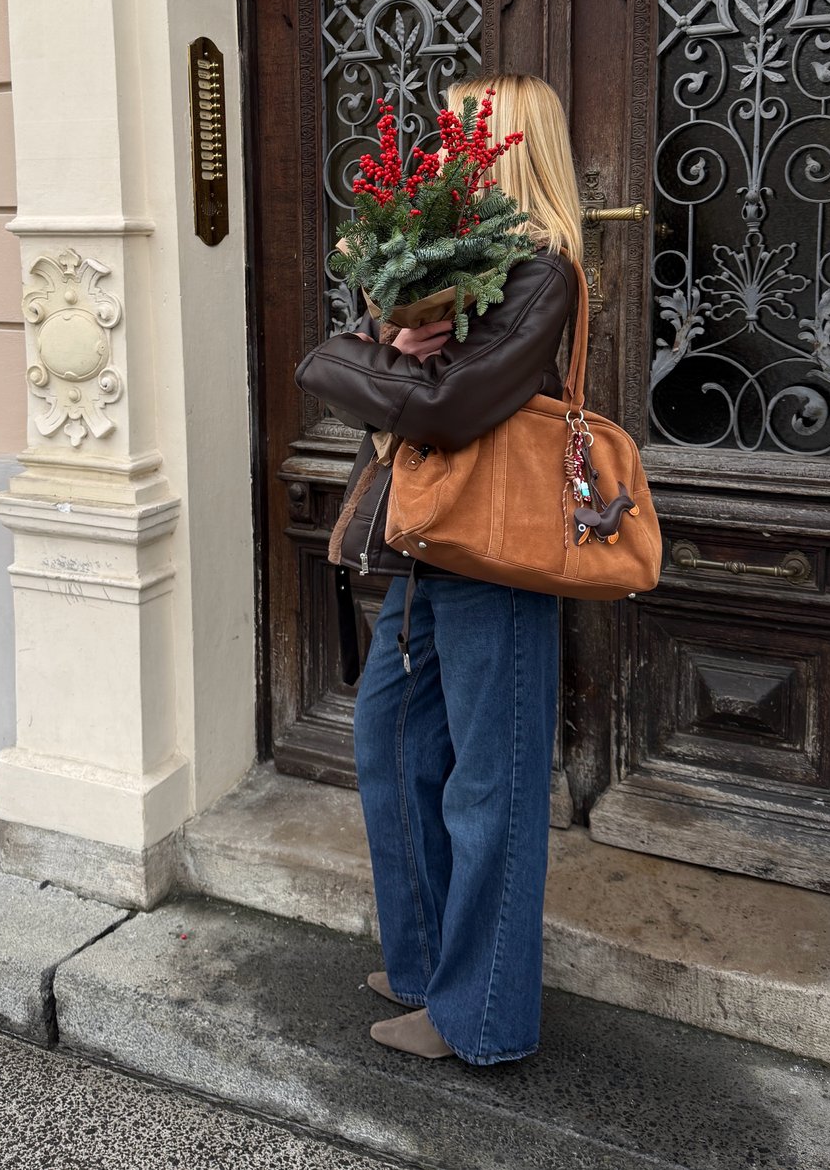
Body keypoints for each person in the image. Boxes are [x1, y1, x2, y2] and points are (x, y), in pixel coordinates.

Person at [294, 73, 585, 1066]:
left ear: (509, 148)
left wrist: (341, 356)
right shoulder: (464, 268)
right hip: (427, 545)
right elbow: (409, 378)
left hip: (496, 555)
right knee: (389, 741)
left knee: (490, 785)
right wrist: (384, 342)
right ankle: (425, 964)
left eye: (463, 135)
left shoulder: (542, 275)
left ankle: (482, 1015)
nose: (440, 154)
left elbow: (443, 406)